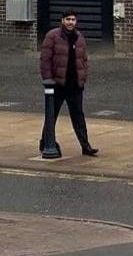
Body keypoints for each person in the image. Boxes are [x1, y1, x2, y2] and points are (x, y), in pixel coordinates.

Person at [38, 12, 99, 156]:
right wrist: (48, 81)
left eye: (73, 19)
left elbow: (84, 59)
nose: (71, 22)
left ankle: (86, 146)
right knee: (52, 115)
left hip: (75, 84)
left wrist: (83, 78)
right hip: (57, 84)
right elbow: (45, 60)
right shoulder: (52, 36)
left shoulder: (79, 37)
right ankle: (45, 142)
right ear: (62, 20)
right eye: (68, 19)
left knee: (78, 116)